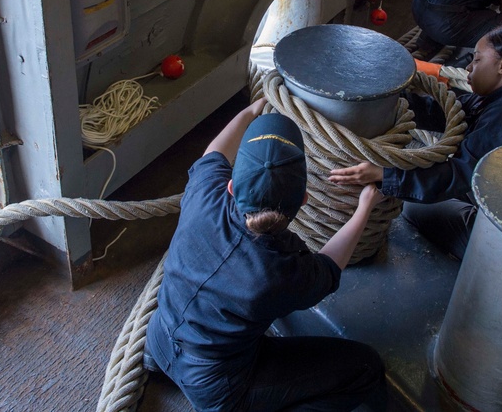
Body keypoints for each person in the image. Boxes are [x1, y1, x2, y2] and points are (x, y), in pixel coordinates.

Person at [145, 98, 387, 412]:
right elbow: (329, 267)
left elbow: (213, 153)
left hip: (159, 337)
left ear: (231, 187)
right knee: (366, 367)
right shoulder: (282, 271)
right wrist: (364, 207)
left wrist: (251, 111)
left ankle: (158, 360)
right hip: (218, 388)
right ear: (304, 199)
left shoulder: (204, 196)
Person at [329, 21, 502, 260]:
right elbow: (442, 112)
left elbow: (462, 172)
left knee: (414, 208)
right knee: (424, 187)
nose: (469, 67)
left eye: (477, 60)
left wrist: (385, 174)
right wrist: (388, 97)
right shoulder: (497, 100)